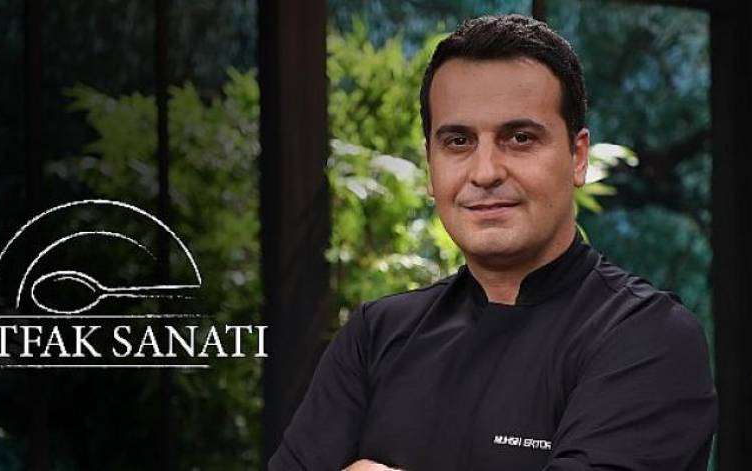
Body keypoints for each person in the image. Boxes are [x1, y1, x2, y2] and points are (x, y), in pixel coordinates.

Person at [268, 14, 717, 471]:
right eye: (458, 141)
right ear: (431, 166)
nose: (484, 173)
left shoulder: (647, 336)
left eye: (520, 138)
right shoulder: (375, 336)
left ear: (577, 157)